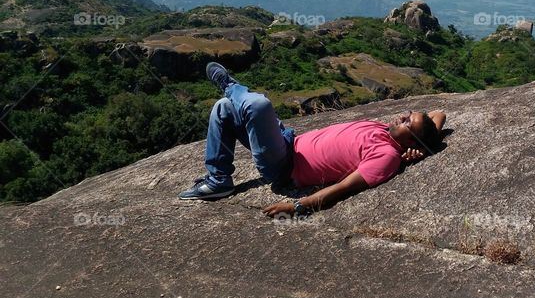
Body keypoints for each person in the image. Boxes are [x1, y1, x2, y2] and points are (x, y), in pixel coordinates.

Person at [179, 63, 445, 218]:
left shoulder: (387, 156)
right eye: (409, 114)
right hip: (288, 140)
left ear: (411, 141)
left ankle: (230, 85)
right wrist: (424, 148)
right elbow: (439, 114)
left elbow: (344, 188)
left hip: (284, 165)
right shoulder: (386, 130)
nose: (404, 116)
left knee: (258, 105)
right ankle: (218, 180)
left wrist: (298, 206)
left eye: (408, 122)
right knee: (224, 108)